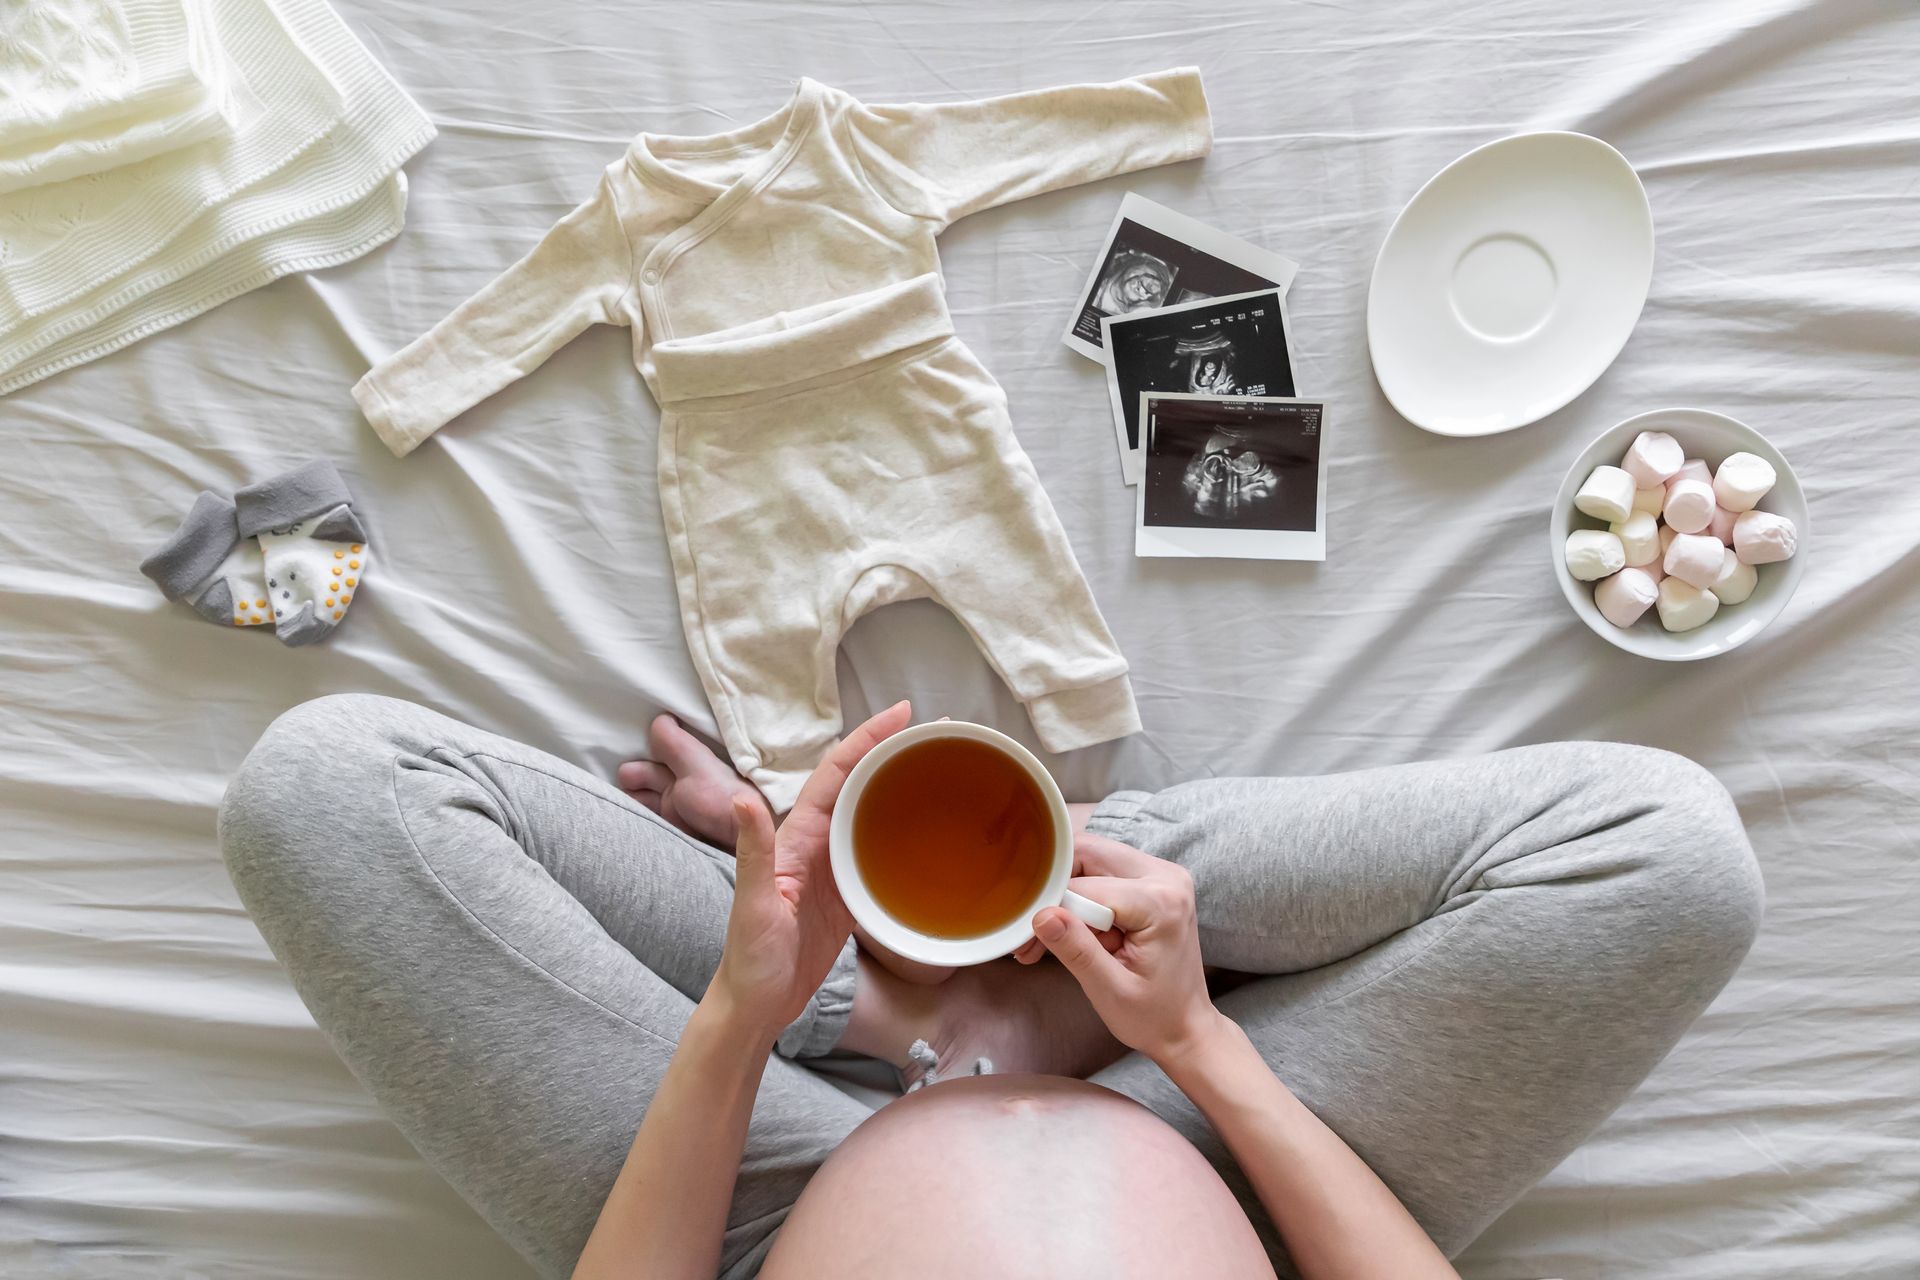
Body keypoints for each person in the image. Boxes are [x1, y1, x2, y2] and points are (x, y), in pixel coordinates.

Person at [218, 695, 1762, 1280]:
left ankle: (896, 971)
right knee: (1665, 858)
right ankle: (1043, 906)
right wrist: (1199, 1040)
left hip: (756, 1211)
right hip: (1236, 1168)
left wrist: (745, 1017)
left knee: (330, 791)